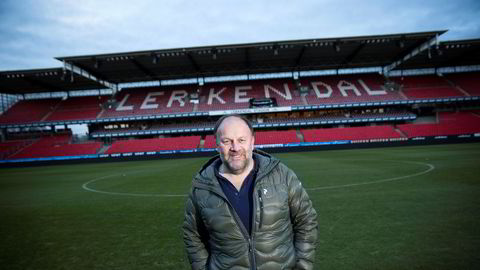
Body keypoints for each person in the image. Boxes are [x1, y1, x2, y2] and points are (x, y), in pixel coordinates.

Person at [183, 115, 318, 270]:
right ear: (217, 145)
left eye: (241, 140)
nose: (235, 148)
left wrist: (303, 265)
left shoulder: (282, 175)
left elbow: (306, 220)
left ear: (252, 142)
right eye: (227, 141)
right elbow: (193, 235)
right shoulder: (201, 187)